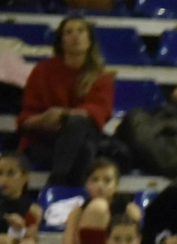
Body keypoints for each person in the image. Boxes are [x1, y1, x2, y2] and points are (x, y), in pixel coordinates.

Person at [18, 14, 112, 186]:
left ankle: (56, 181)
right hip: (45, 140)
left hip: (84, 135)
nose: (75, 36)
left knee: (77, 124)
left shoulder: (101, 77)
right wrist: (42, 120)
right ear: (61, 41)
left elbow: (100, 112)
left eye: (80, 31)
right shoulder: (42, 71)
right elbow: (25, 118)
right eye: (68, 32)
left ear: (90, 40)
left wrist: (64, 115)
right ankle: (72, 198)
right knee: (85, 149)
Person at [60, 158, 140, 244]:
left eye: (107, 180)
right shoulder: (76, 212)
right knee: (98, 206)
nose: (100, 185)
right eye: (94, 180)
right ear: (87, 184)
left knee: (99, 206)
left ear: (116, 185)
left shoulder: (130, 211)